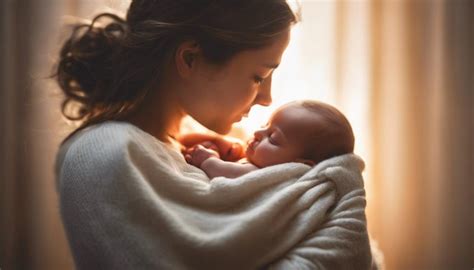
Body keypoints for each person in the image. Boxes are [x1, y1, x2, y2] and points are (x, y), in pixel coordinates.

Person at [54, 1, 375, 269]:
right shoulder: (105, 153)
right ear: (190, 58)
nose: (267, 98)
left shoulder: (212, 146)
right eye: (258, 76)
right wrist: (342, 179)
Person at [183, 100, 355, 179]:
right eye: (265, 125)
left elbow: (233, 174)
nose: (258, 132)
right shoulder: (260, 160)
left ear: (298, 165)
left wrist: (208, 160)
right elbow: (184, 138)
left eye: (272, 138)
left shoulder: (274, 177)